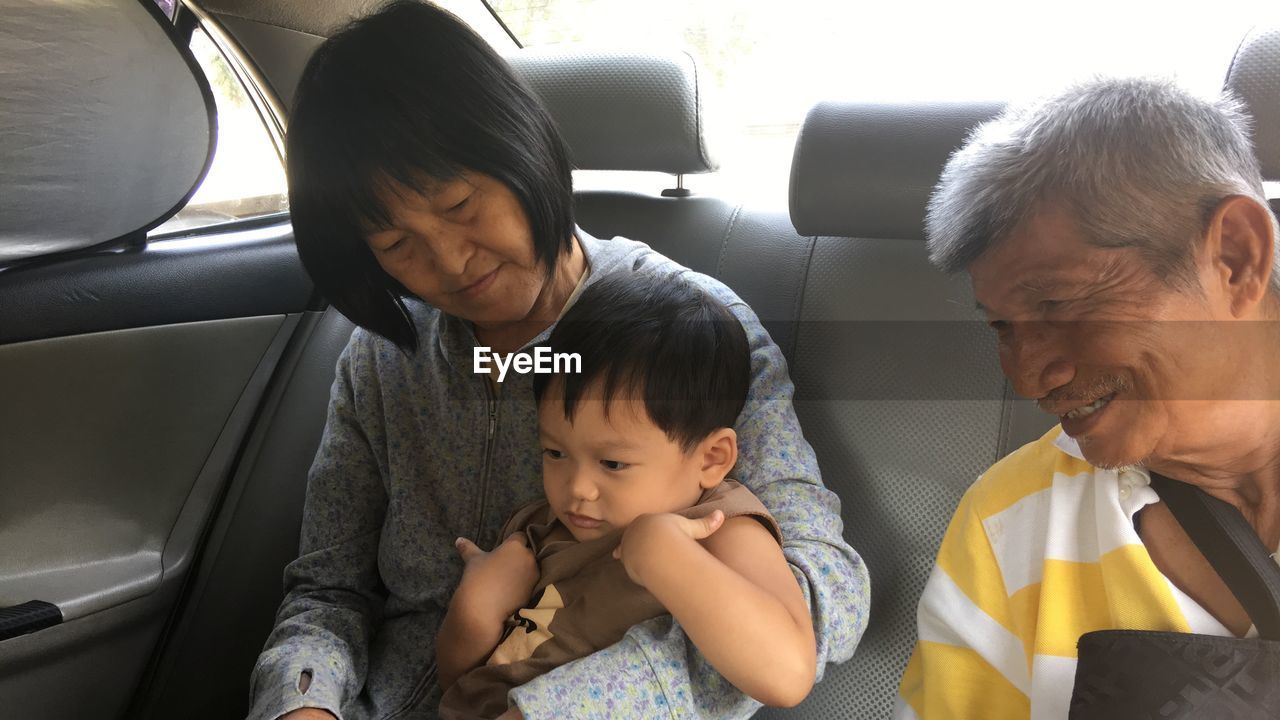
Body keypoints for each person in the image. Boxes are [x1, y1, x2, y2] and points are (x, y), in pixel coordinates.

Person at [246, 2, 869, 719]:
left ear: (522, 150)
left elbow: (822, 593)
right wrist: (303, 703)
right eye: (396, 247)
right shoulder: (382, 362)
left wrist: (558, 708)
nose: (449, 261)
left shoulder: (692, 335)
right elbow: (329, 590)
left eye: (459, 205)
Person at [895, 77, 1280, 719]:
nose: (1027, 377)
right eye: (1002, 327)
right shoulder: (1008, 522)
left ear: (1236, 258)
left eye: (1059, 304)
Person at [435, 272, 816, 718]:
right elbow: (458, 691)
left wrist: (663, 554)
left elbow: (788, 674)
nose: (576, 488)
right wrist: (473, 613)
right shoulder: (538, 532)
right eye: (554, 452)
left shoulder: (718, 528)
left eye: (613, 463)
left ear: (712, 458)